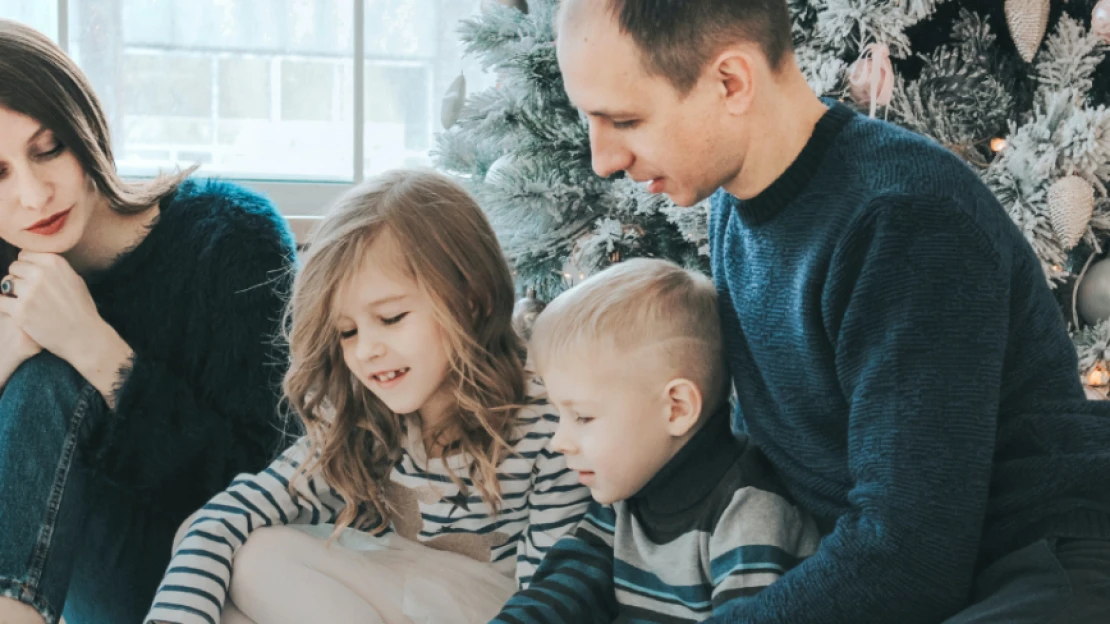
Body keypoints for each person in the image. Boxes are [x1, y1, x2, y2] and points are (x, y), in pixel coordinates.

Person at [553, 1, 1110, 622]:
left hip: (1032, 559)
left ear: (730, 81)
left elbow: (910, 559)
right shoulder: (737, 201)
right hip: (900, 559)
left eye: (624, 120)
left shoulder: (904, 220)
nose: (602, 159)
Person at [143, 169, 592, 624]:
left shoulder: (549, 418)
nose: (366, 350)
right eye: (347, 331)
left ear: (472, 299)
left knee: (256, 559)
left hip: (503, 610)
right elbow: (233, 513)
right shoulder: (364, 412)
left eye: (392, 318)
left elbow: (553, 589)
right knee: (225, 563)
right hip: (394, 591)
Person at [0, 18, 298, 624]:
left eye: (48, 148)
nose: (33, 197)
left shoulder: (229, 238)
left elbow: (268, 479)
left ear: (85, 126)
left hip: (196, 581)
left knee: (49, 377)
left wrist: (96, 350)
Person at [489, 258, 820, 623]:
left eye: (582, 416)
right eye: (558, 415)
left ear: (676, 408)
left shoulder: (750, 513)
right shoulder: (626, 492)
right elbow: (570, 583)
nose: (559, 441)